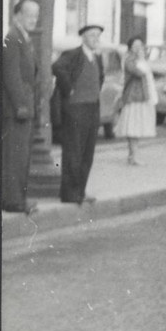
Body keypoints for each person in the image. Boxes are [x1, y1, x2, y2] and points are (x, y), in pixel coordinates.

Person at [52, 24, 105, 205]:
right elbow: (57, 67)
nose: (96, 39)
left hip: (92, 109)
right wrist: (69, 89)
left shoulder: (97, 57)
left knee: (87, 153)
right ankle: (69, 194)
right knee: (73, 152)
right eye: (92, 35)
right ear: (83, 37)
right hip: (76, 109)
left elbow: (100, 78)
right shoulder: (74, 54)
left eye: (98, 35)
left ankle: (80, 191)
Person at [2, 0, 41, 214]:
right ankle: (14, 202)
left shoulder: (23, 38)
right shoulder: (12, 38)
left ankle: (15, 198)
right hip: (17, 109)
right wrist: (21, 106)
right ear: (17, 15)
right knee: (15, 156)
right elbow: (11, 76)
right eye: (29, 15)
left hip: (24, 106)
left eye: (36, 15)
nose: (33, 19)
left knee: (20, 155)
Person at [116, 36, 158, 165]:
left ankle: (132, 155)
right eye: (135, 46)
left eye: (140, 45)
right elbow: (138, 72)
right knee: (133, 127)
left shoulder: (141, 59)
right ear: (130, 48)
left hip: (143, 97)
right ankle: (133, 156)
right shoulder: (130, 59)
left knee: (137, 127)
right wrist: (141, 57)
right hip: (134, 97)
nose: (139, 48)